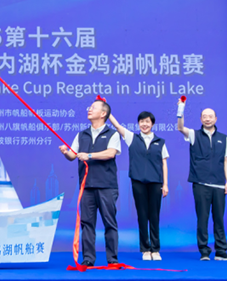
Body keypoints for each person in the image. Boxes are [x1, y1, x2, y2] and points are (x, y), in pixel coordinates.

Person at [58, 99, 121, 266]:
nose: (89, 110)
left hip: (107, 186)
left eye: (93, 108)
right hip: (86, 187)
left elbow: (111, 153)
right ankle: (88, 259)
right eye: (89, 107)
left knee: (110, 223)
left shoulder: (112, 134)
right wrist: (66, 152)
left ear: (103, 113)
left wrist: (89, 155)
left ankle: (112, 259)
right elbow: (73, 156)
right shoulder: (81, 135)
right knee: (87, 224)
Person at [177, 100, 227, 261]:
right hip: (201, 183)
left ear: (216, 118)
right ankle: (204, 251)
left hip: (219, 184)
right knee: (202, 218)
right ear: (201, 119)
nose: (207, 119)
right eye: (204, 116)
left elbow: (226, 160)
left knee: (219, 219)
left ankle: (221, 251)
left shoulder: (223, 138)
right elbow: (180, 128)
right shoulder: (194, 135)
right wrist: (180, 109)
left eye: (210, 116)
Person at [109, 110, 168, 261]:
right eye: (141, 122)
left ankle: (155, 249)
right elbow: (117, 126)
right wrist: (107, 111)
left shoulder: (160, 142)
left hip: (156, 182)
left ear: (152, 124)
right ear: (138, 124)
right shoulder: (132, 138)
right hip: (138, 182)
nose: (144, 124)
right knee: (142, 215)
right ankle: (145, 249)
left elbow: (164, 163)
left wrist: (165, 184)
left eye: (147, 121)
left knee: (154, 216)